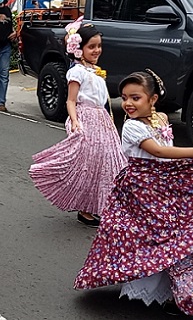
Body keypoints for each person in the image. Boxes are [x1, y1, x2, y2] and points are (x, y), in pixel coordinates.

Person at [74, 70, 193, 316]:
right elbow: (158, 152)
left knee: (171, 235)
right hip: (141, 189)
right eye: (125, 97)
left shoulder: (159, 119)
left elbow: (166, 151)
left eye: (135, 97)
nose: (128, 103)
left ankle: (173, 290)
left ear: (153, 99)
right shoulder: (131, 127)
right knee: (158, 236)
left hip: (162, 185)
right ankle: (162, 287)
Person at [29, 20, 125, 226]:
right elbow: (71, 100)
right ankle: (86, 209)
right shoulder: (77, 72)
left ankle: (101, 206)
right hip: (86, 119)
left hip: (102, 121)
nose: (97, 50)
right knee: (89, 166)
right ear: (78, 49)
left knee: (107, 163)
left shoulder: (95, 70)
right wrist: (74, 121)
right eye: (91, 46)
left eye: (99, 46)